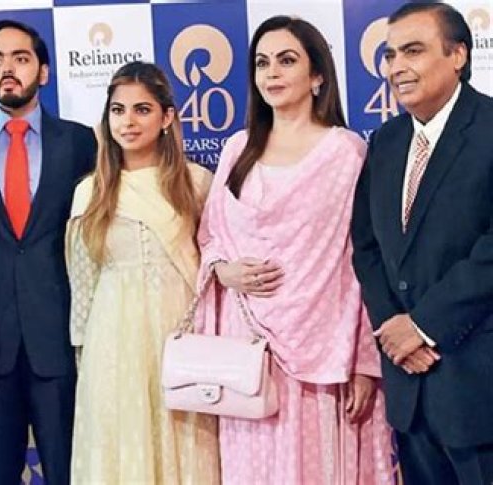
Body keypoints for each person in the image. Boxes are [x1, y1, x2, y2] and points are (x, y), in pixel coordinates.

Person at [196, 16, 394, 484]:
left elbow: (361, 259)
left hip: (323, 352)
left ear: (317, 75)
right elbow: (210, 236)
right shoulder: (237, 148)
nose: (272, 73)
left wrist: (364, 362)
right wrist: (223, 270)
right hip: (245, 351)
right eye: (262, 63)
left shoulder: (345, 152)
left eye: (287, 60)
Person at [351, 2, 493, 484]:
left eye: (413, 51)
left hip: (478, 384)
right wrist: (393, 327)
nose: (397, 67)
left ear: (458, 55)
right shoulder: (386, 141)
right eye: (390, 55)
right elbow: (366, 246)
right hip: (410, 391)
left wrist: (424, 326)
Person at [0, 19, 97, 485]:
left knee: (71, 473)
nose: (7, 69)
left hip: (61, 344)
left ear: (44, 71)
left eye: (20, 58)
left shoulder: (81, 142)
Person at [65, 61, 219, 484]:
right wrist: (86, 360)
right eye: (118, 110)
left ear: (167, 117)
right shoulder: (90, 192)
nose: (128, 122)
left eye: (142, 109)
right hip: (113, 344)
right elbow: (83, 285)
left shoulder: (197, 183)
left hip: (183, 336)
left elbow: (214, 272)